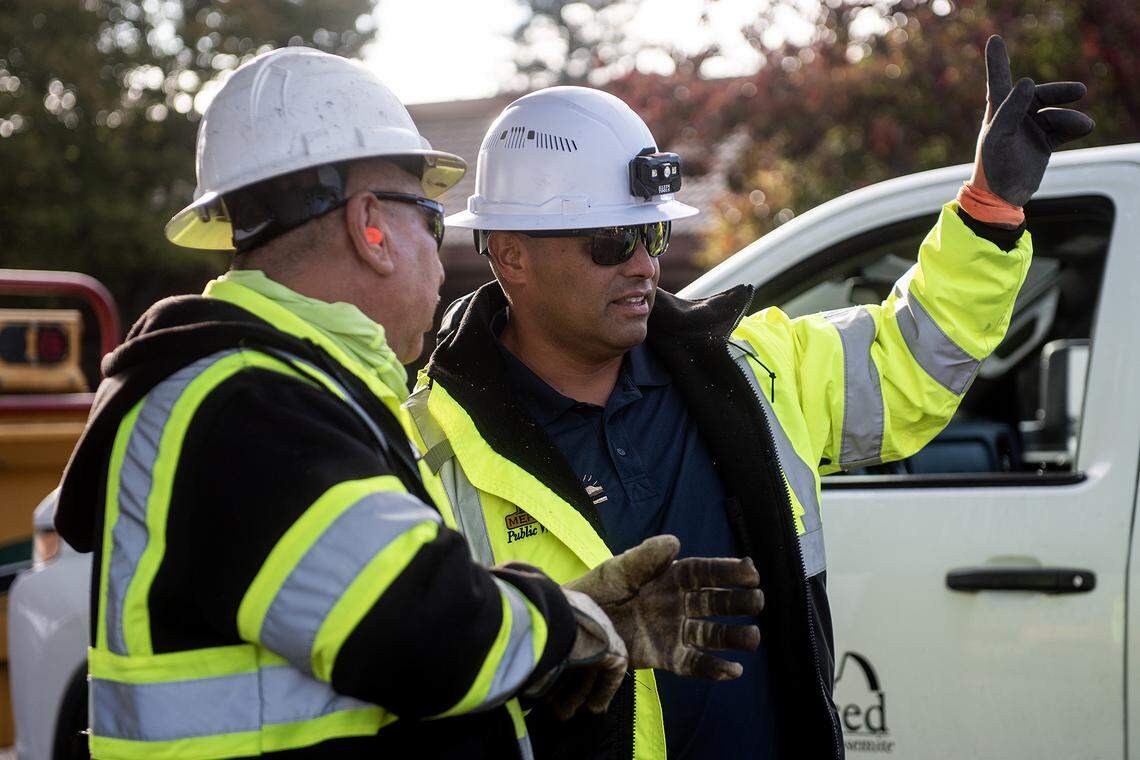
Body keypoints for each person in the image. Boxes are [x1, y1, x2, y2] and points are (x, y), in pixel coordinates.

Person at [53, 47, 764, 759]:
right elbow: (420, 629)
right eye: (429, 218)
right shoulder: (243, 405)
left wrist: (557, 622)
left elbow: (375, 616)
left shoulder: (284, 394)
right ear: (370, 228)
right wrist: (571, 625)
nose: (440, 253)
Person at [407, 35, 1093, 759]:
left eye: (654, 231)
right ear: (511, 252)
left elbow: (911, 359)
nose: (645, 264)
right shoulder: (427, 457)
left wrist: (988, 211)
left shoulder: (750, 373)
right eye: (612, 241)